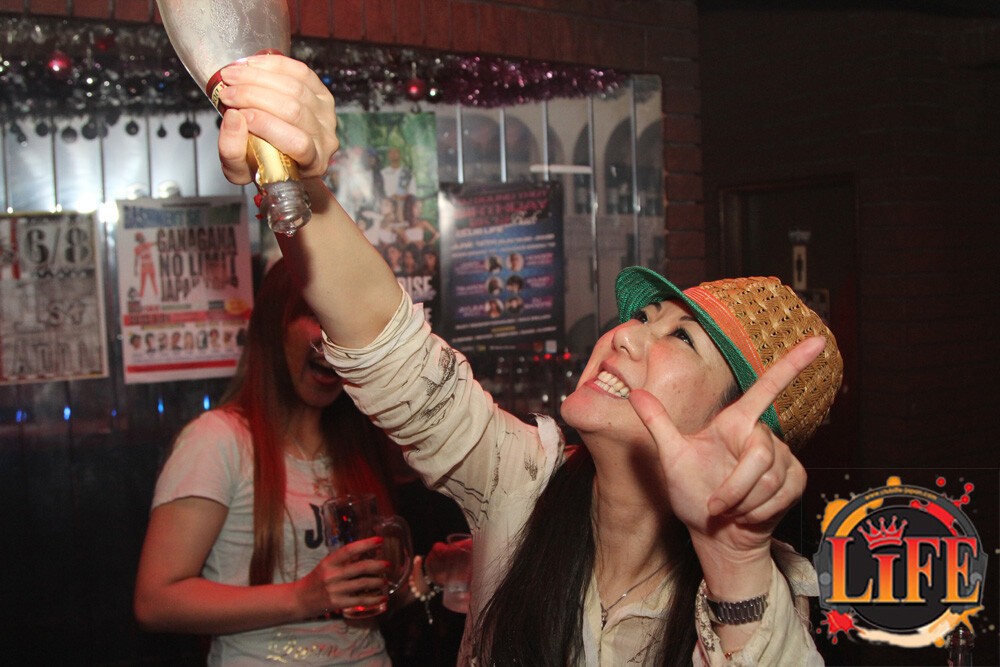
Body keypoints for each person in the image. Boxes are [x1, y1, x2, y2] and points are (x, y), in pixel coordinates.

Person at [213, 55, 844, 665]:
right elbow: (387, 343)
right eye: (642, 317)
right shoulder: (521, 483)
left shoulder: (756, 598)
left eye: (682, 339)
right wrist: (299, 179)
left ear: (741, 427)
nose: (624, 337)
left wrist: (732, 562)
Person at [134, 258, 406, 665]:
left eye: (346, 321)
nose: (334, 337)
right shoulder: (218, 439)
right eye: (318, 317)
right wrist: (302, 597)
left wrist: (426, 576)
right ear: (274, 327)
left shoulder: (356, 442)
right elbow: (156, 602)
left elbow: (367, 593)